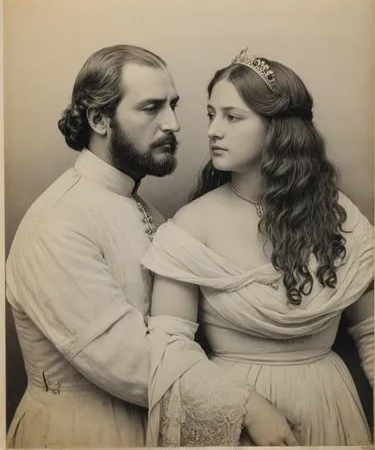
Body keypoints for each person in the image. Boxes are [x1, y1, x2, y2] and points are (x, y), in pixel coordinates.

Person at [6, 44, 297, 448]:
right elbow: (129, 360)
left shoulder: (142, 210)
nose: (174, 123)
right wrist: (248, 405)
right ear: (99, 119)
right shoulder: (57, 222)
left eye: (174, 106)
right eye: (151, 108)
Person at [142, 48, 374, 446]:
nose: (214, 130)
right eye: (212, 115)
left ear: (278, 130)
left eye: (232, 117)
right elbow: (170, 350)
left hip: (330, 407)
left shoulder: (341, 218)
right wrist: (246, 409)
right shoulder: (192, 225)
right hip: (234, 414)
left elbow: (371, 332)